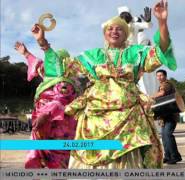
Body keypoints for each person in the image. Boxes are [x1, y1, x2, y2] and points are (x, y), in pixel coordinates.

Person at [31, 0, 176, 169]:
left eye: (120, 28)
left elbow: (161, 51)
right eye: (110, 28)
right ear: (105, 34)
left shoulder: (136, 53)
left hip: (129, 115)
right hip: (95, 115)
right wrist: (43, 43)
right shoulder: (92, 56)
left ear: (126, 33)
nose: (115, 31)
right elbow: (62, 68)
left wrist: (162, 22)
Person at [14, 42, 77, 169]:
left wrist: (46, 114)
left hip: (58, 127)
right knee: (35, 157)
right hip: (42, 124)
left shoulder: (64, 83)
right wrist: (26, 53)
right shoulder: (49, 80)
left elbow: (60, 101)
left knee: (57, 160)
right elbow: (38, 64)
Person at [152, 69, 182, 164]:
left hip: (170, 115)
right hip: (164, 116)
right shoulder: (161, 85)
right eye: (158, 76)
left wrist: (150, 97)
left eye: (161, 75)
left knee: (168, 135)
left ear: (165, 76)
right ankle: (168, 156)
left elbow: (162, 93)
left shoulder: (167, 84)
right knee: (164, 136)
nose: (159, 77)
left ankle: (175, 156)